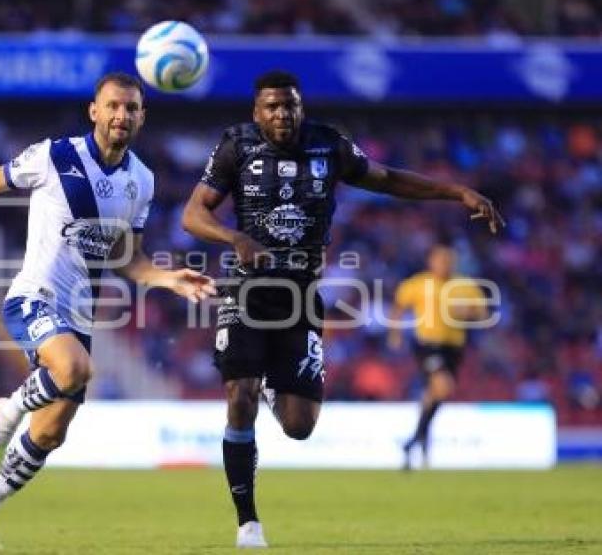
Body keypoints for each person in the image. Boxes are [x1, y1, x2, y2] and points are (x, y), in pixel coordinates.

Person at [0, 72, 215, 550]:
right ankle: (5, 410)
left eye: (131, 109)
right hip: (34, 296)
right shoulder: (55, 156)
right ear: (94, 110)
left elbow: (124, 257)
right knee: (74, 369)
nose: (122, 115)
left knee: (50, 433)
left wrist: (167, 277)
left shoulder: (141, 180)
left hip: (80, 314)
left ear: (142, 117)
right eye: (113, 106)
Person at [181, 70, 504, 548]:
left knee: (298, 427)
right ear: (257, 111)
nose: (281, 114)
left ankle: (272, 382)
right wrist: (235, 238)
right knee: (239, 396)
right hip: (246, 289)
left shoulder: (328, 146)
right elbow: (193, 213)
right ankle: (248, 521)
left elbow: (389, 179)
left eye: (289, 105)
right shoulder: (236, 147)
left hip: (302, 298)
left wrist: (456, 192)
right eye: (271, 107)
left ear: (301, 108)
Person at [388, 243, 488, 470]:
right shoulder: (418, 283)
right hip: (427, 344)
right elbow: (398, 307)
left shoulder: (464, 285)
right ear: (430, 261)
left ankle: (417, 441)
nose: (444, 264)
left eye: (448, 260)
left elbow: (483, 313)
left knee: (435, 396)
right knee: (442, 386)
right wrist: (395, 334)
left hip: (454, 347)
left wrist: (468, 312)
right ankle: (415, 441)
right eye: (440, 259)